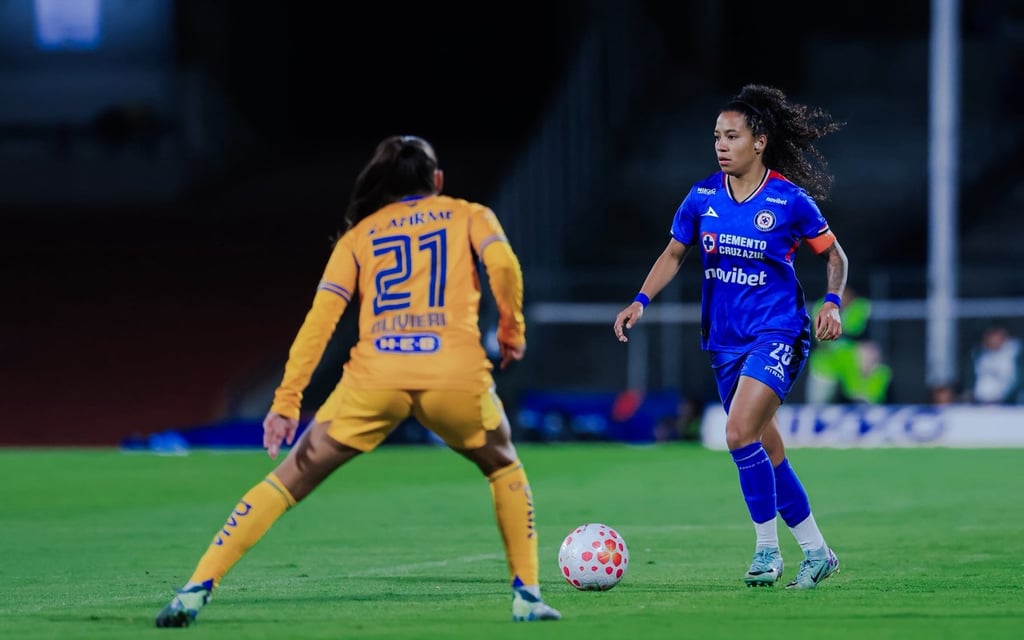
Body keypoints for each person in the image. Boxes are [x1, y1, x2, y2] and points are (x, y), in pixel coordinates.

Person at [155, 135, 561, 626]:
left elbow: (320, 320)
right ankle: (527, 596)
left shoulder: (359, 236)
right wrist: (510, 330)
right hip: (452, 373)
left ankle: (196, 589)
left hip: (375, 378)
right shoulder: (471, 214)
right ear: (436, 180)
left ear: (385, 184)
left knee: (288, 481)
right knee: (503, 468)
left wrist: (286, 401)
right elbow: (503, 265)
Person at [613, 84, 847, 590]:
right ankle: (817, 551)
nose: (721, 145)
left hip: (778, 329)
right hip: (724, 339)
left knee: (738, 433)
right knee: (767, 449)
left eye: (732, 136)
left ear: (759, 141)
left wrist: (831, 302)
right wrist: (640, 300)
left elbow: (833, 254)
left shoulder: (789, 199)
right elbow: (674, 253)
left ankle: (767, 551)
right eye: (716, 136)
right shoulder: (702, 197)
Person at [805, 286, 892, 404]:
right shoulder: (821, 307)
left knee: (869, 358)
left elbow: (860, 335)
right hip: (828, 358)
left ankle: (863, 407)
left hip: (853, 359)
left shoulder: (859, 307)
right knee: (820, 392)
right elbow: (822, 339)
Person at [967, 323, 1023, 405]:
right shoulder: (978, 355)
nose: (993, 341)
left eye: (996, 338)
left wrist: (1007, 399)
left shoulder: (1015, 355)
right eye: (990, 338)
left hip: (1007, 403)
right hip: (980, 403)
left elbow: (1018, 381)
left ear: (1004, 338)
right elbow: (971, 379)